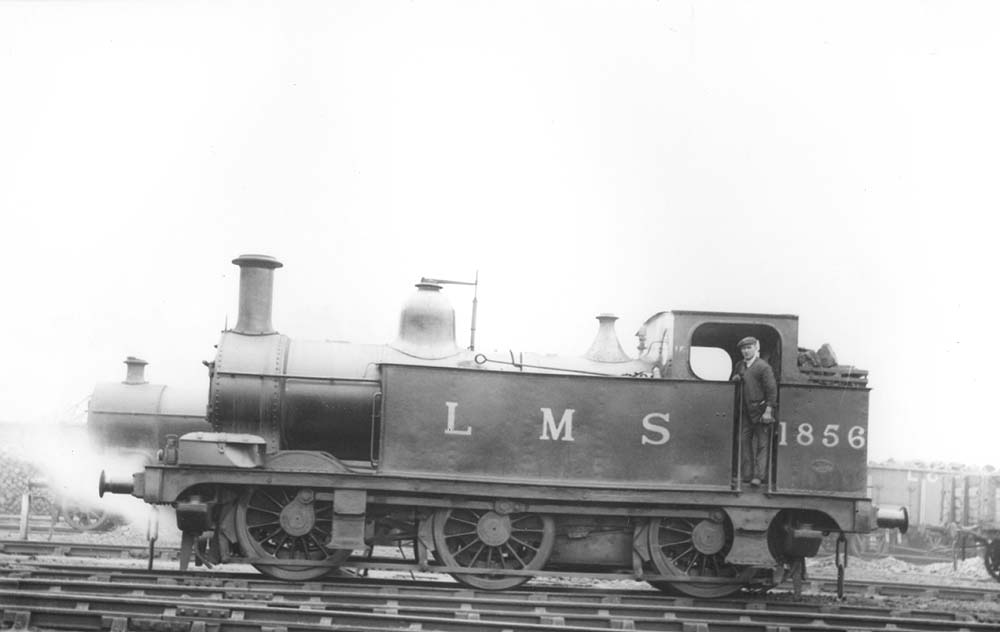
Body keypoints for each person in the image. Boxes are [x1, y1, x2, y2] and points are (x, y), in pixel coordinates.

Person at [731, 336, 777, 487]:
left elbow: (771, 390)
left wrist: (768, 411)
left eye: (749, 348)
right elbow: (737, 379)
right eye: (743, 349)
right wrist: (736, 378)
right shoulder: (739, 365)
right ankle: (747, 475)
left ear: (756, 348)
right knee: (744, 442)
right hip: (745, 412)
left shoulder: (763, 367)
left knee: (762, 445)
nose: (746, 351)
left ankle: (759, 476)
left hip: (761, 411)